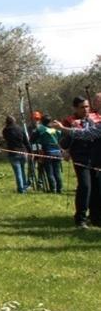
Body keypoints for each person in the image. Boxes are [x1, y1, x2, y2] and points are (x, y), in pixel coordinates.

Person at [60, 97, 99, 228]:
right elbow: (63, 142)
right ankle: (80, 218)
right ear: (75, 108)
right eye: (82, 107)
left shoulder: (95, 121)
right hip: (80, 158)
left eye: (87, 107)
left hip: (95, 159)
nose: (85, 110)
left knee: (96, 187)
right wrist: (66, 150)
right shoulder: (69, 122)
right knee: (85, 186)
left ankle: (95, 217)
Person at [1, 116, 31, 193]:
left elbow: (6, 139)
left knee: (18, 172)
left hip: (13, 153)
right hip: (22, 152)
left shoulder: (5, 131)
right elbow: (26, 142)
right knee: (23, 170)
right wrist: (30, 152)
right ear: (15, 121)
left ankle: (21, 189)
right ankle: (24, 186)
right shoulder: (20, 129)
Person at [36, 114, 63, 193]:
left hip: (48, 152)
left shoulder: (42, 129)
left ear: (42, 121)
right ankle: (59, 188)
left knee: (50, 172)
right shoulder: (55, 130)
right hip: (57, 152)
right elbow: (61, 137)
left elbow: (33, 138)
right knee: (57, 172)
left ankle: (53, 188)